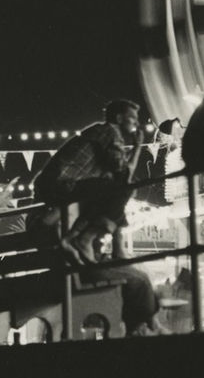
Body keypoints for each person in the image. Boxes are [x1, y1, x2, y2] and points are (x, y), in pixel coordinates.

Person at [32, 99, 142, 264]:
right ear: (119, 118)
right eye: (133, 117)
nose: (137, 123)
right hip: (63, 185)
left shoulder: (100, 131)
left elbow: (115, 173)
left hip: (55, 185)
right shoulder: (110, 132)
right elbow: (124, 176)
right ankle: (83, 239)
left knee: (111, 190)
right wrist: (138, 146)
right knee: (124, 188)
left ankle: (82, 240)